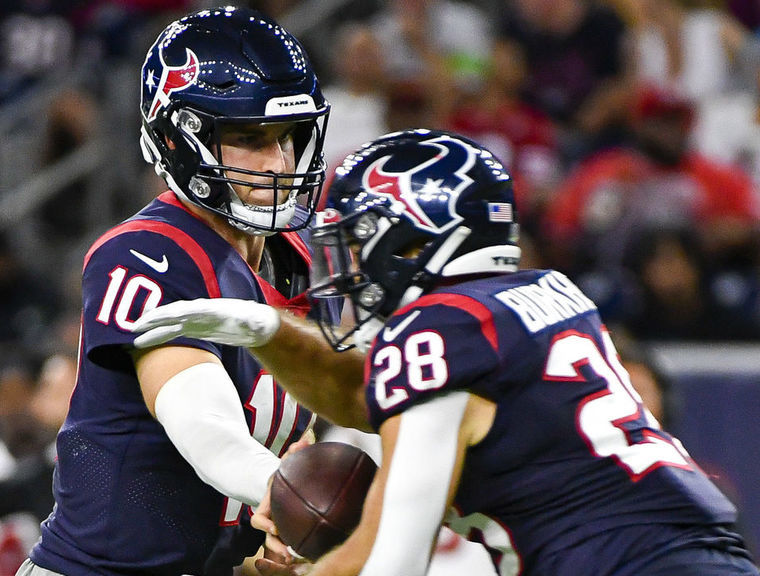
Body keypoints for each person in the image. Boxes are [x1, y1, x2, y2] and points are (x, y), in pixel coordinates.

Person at [132, 129, 760, 576]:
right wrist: (268, 331)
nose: (342, 268)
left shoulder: (437, 333)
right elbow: (361, 394)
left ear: (411, 245)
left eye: (356, 243)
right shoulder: (540, 295)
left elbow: (391, 560)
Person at [17, 6, 333, 576]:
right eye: (249, 138)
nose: (280, 161)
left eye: (288, 137)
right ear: (176, 138)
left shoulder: (304, 254)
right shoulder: (146, 256)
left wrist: (280, 533)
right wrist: (285, 491)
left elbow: (293, 418)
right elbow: (201, 422)